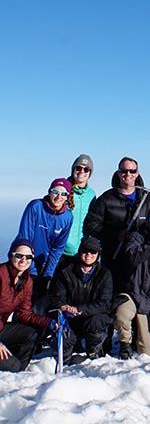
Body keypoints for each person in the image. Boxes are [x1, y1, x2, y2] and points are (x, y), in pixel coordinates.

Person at [83, 156, 150, 292]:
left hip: (141, 264)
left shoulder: (149, 200)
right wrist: (113, 235)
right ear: (118, 173)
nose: (128, 174)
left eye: (132, 171)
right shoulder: (106, 199)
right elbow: (91, 225)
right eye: (124, 171)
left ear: (137, 173)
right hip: (114, 260)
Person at [115, 206, 150, 359]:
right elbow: (132, 257)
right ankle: (124, 343)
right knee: (122, 314)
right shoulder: (136, 237)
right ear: (147, 221)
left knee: (148, 352)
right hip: (133, 293)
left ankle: (148, 338)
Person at [49, 236, 113, 363]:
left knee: (97, 322)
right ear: (80, 252)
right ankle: (64, 358)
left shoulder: (104, 274)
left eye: (93, 251)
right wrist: (64, 307)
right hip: (71, 318)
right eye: (85, 251)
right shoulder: (66, 272)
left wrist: (80, 310)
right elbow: (57, 296)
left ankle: (94, 354)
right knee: (65, 335)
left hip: (92, 318)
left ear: (98, 254)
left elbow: (104, 303)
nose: (89, 254)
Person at [16, 177, 74, 308]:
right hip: (24, 262)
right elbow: (25, 238)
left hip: (43, 264)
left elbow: (58, 248)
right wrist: (32, 271)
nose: (59, 196)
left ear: (67, 197)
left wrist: (48, 274)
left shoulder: (67, 217)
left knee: (39, 303)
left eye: (64, 193)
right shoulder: (36, 206)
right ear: (49, 192)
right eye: (55, 191)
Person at [0, 239, 56, 372]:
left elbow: (24, 313)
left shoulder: (26, 281)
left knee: (31, 334)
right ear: (11, 256)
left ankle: (19, 373)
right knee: (12, 366)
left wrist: (48, 323)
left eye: (28, 257)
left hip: (2, 328)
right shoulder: (1, 274)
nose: (23, 260)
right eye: (18, 256)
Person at [60, 154, 97, 269]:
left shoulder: (91, 194)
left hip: (81, 251)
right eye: (78, 168)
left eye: (86, 169)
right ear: (73, 170)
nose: (82, 171)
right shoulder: (63, 190)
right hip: (61, 250)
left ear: (90, 173)